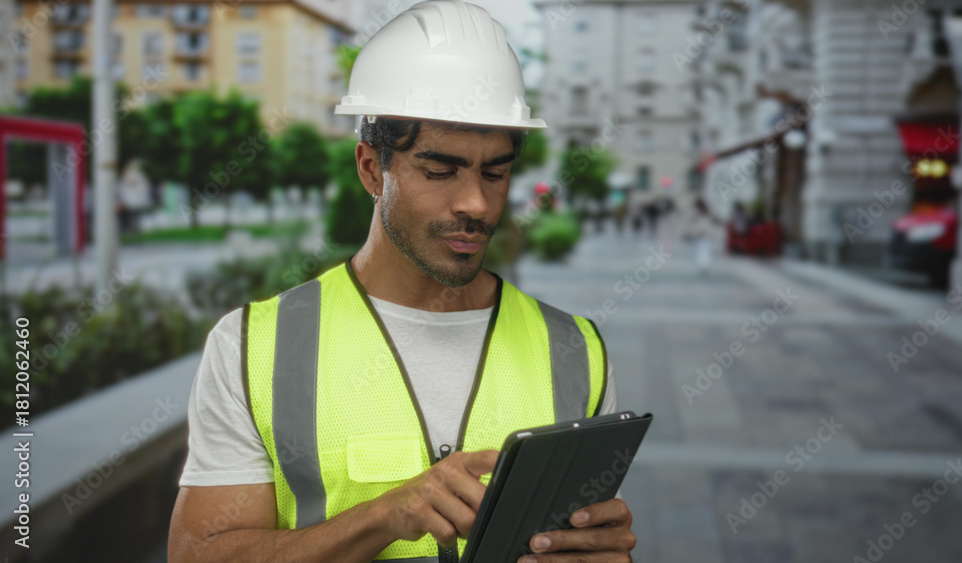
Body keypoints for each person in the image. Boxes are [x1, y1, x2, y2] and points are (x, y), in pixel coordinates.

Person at [167, 2, 635, 562]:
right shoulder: (253, 347)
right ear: (371, 169)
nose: (476, 204)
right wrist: (385, 516)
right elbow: (199, 555)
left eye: (496, 172)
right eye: (440, 171)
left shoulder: (576, 350)